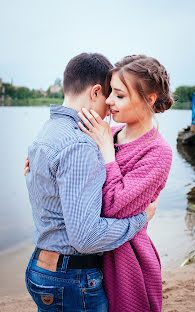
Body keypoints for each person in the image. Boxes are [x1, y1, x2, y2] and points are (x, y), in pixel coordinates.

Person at [24, 53, 158, 312]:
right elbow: (86, 238)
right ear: (95, 92)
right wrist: (141, 218)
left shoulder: (47, 131)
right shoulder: (79, 145)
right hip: (70, 277)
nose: (109, 108)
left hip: (42, 266)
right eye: (108, 99)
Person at [77, 54, 173, 312]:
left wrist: (107, 151)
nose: (108, 101)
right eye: (110, 93)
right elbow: (71, 157)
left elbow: (111, 207)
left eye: (119, 95)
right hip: (90, 257)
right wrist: (42, 158)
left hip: (127, 263)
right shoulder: (111, 133)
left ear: (149, 99)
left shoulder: (157, 152)